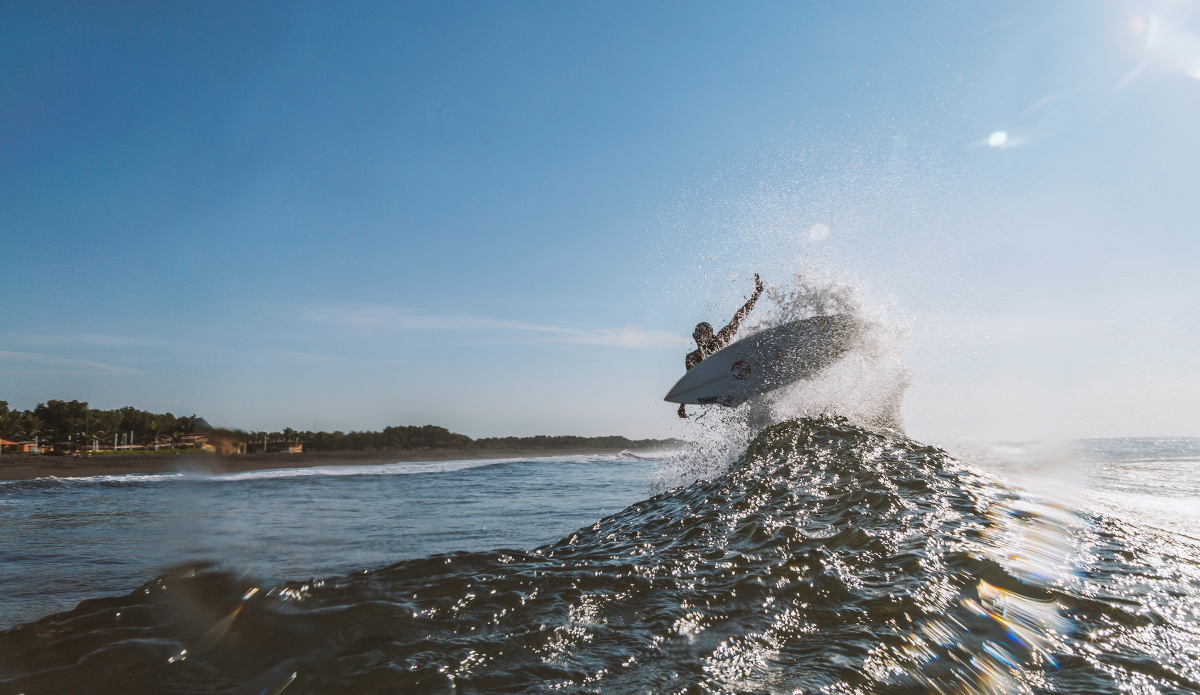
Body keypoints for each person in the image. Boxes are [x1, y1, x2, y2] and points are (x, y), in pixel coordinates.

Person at [678, 273, 764, 418]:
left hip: (739, 373)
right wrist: (682, 406)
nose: (700, 337)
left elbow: (738, 317)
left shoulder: (721, 339)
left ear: (711, 335)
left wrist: (755, 296)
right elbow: (690, 382)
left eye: (704, 333)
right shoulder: (691, 358)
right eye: (697, 334)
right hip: (723, 389)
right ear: (694, 336)